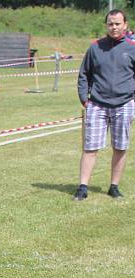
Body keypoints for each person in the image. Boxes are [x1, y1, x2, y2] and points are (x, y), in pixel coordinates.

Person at [74, 9, 135, 201]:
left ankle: (114, 187)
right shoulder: (95, 48)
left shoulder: (132, 48)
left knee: (120, 147)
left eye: (117, 23)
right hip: (97, 105)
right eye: (110, 23)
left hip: (124, 104)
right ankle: (83, 187)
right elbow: (84, 74)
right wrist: (85, 99)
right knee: (90, 147)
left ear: (125, 25)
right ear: (106, 25)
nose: (114, 27)